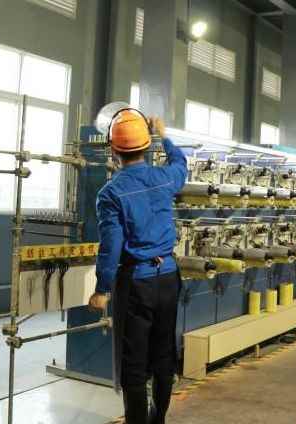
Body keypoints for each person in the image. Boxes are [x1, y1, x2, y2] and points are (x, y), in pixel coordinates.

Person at [88, 110, 187, 424]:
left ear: (113, 150)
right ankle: (158, 420)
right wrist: (165, 135)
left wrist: (102, 289)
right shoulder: (164, 178)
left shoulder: (111, 193)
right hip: (168, 277)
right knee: (164, 355)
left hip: (137, 283)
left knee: (134, 363)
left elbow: (111, 247)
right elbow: (181, 164)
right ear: (147, 146)